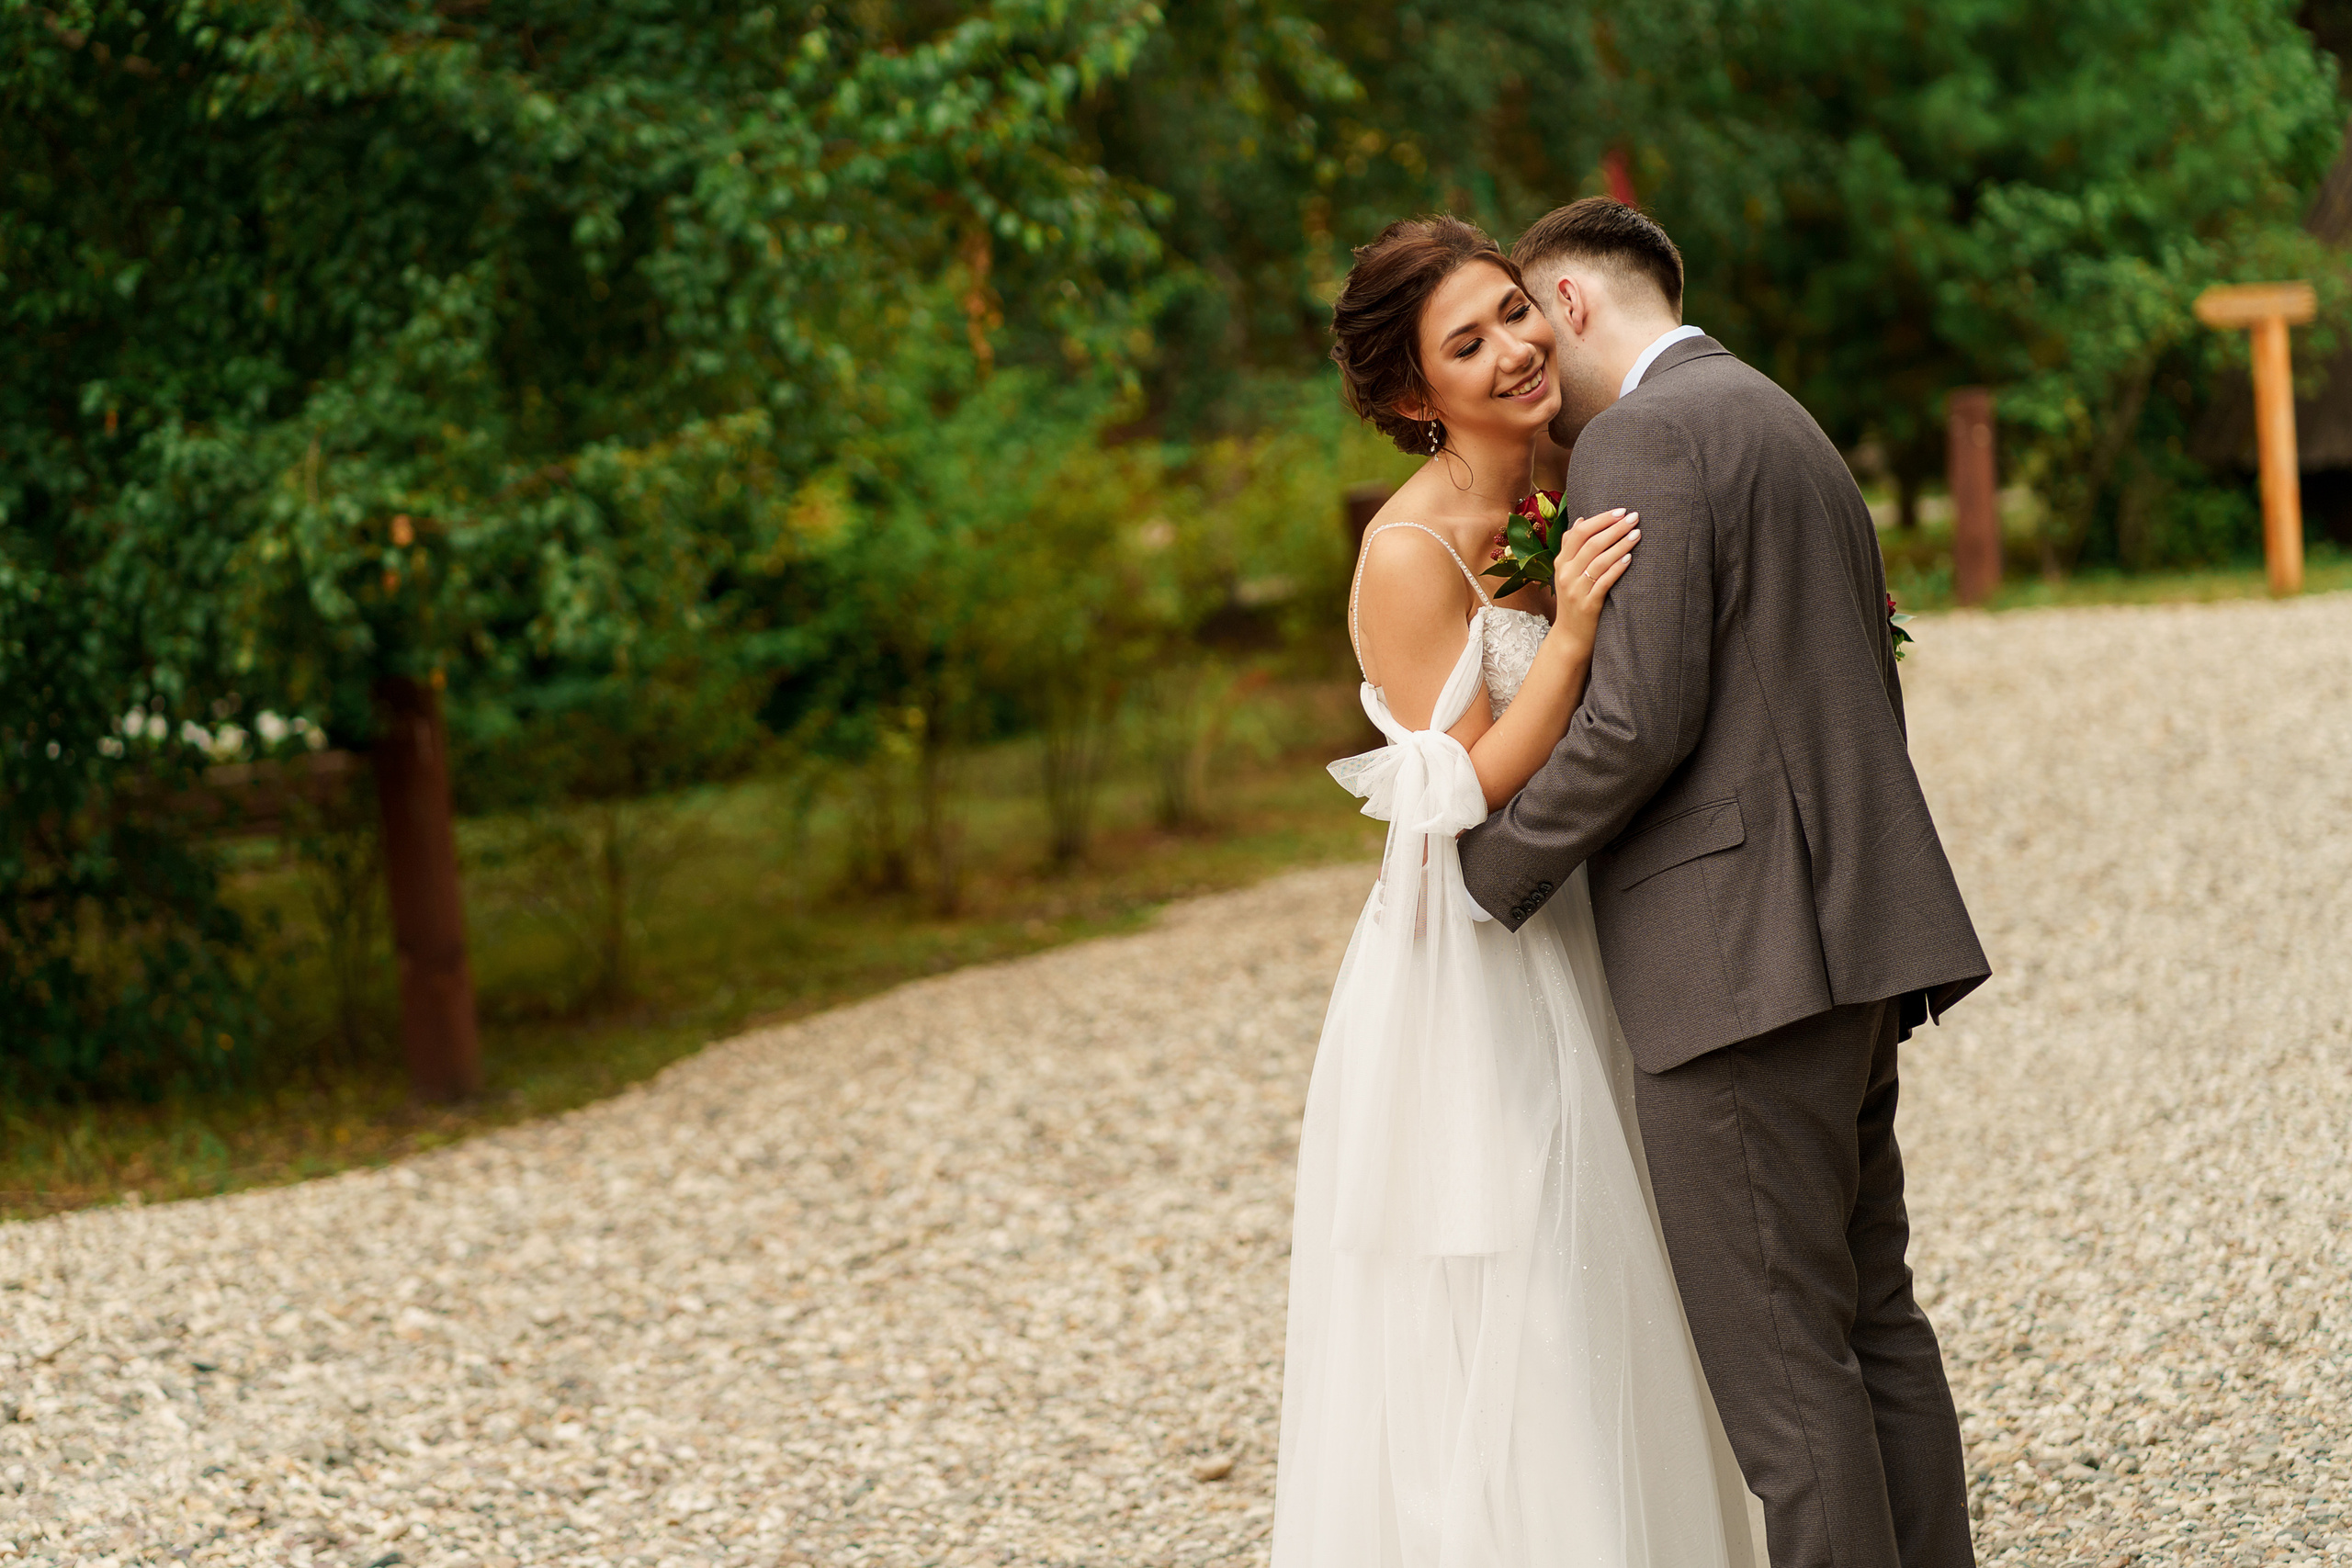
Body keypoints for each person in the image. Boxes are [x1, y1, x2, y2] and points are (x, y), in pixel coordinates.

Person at [1457, 198, 1993, 1568]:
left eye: (1525, 315)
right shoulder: (1775, 414)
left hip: (1734, 969)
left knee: (1784, 1379)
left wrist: (1489, 862)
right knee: (1875, 1324)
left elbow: (1642, 719)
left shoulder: (1644, 433)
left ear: (1571, 303)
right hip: (1847, 943)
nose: (1524, 351)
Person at [1271, 214, 1762, 1568]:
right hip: (1472, 961)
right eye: (1466, 343)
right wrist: (1578, 631)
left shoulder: (1588, 464)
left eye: (1513, 314)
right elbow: (1465, 785)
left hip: (1602, 912)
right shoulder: (1405, 554)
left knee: (1647, 1264)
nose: (1513, 352)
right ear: (1410, 394)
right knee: (1534, 1274)